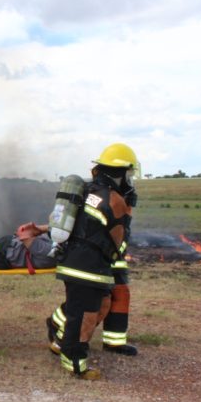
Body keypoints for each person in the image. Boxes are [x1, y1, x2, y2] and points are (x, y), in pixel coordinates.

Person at [50, 143, 139, 380]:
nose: (130, 181)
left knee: (95, 307)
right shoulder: (115, 200)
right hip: (88, 268)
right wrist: (126, 216)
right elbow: (118, 244)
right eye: (129, 175)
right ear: (119, 174)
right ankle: (75, 363)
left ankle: (57, 333)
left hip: (73, 261)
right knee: (85, 316)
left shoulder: (87, 191)